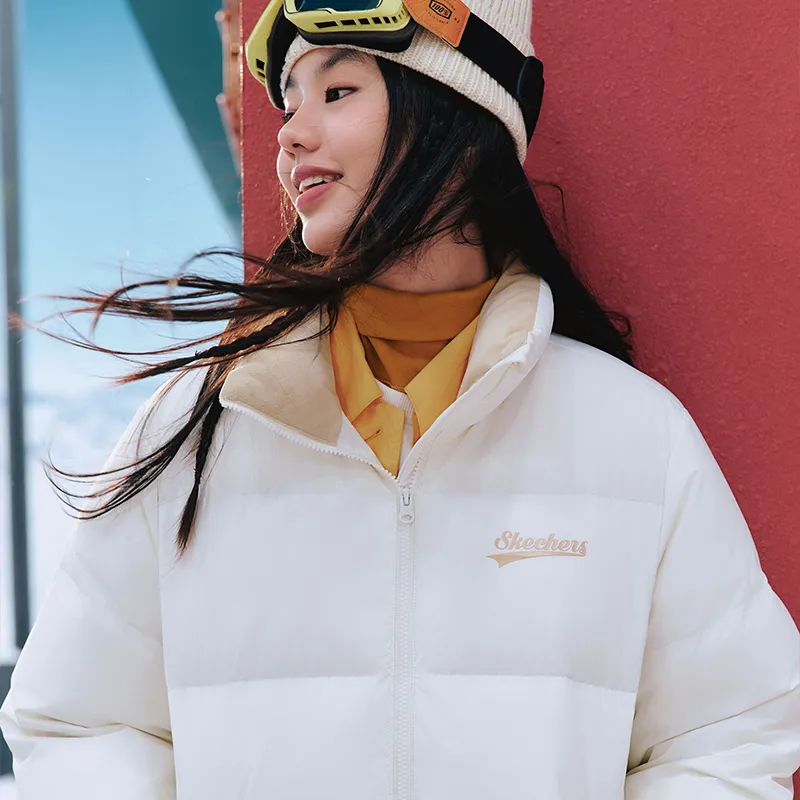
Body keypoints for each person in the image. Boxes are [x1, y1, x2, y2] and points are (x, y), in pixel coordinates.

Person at [2, 0, 799, 797]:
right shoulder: (196, 428)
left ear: (459, 112)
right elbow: (80, 725)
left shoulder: (631, 435)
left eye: (337, 91)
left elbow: (728, 738)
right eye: (290, 102)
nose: (290, 134)